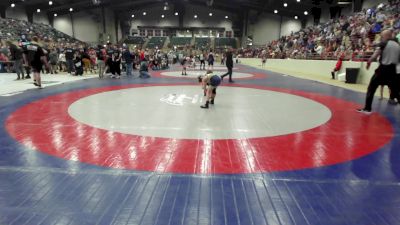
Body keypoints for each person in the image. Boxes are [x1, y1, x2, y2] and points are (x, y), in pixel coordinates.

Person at [358, 30, 400, 114]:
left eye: (382, 36)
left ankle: (367, 109)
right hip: (394, 71)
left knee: (371, 88)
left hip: (383, 69)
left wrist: (369, 61)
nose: (381, 37)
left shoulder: (384, 43)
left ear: (386, 36)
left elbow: (375, 55)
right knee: (396, 92)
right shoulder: (398, 46)